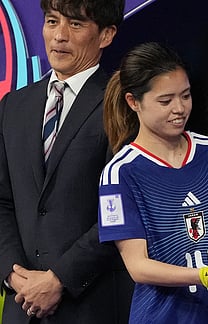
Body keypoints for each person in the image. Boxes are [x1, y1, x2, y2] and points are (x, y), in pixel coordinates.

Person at [99, 42, 208, 324]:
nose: (179, 109)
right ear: (134, 102)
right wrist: (205, 275)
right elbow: (138, 267)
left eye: (185, 96)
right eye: (165, 101)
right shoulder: (120, 173)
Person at [0, 0, 134, 323]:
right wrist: (14, 276)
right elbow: (2, 202)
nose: (59, 36)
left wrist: (59, 279)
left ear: (106, 34)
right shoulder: (13, 106)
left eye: (75, 25)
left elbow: (121, 209)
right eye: (51, 21)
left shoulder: (122, 106)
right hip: (21, 307)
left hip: (90, 306)